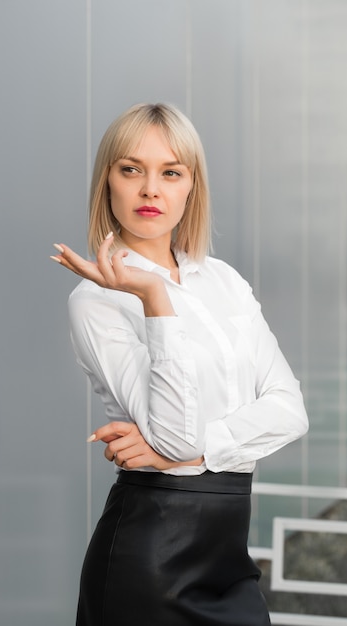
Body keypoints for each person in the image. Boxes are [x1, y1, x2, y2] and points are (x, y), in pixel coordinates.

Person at [50, 103, 308, 626]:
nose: (151, 189)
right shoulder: (94, 301)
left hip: (229, 554)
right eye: (131, 169)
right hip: (147, 558)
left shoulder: (225, 282)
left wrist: (188, 453)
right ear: (108, 182)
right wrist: (151, 295)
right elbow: (175, 437)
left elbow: (290, 411)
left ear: (191, 186)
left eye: (171, 172)